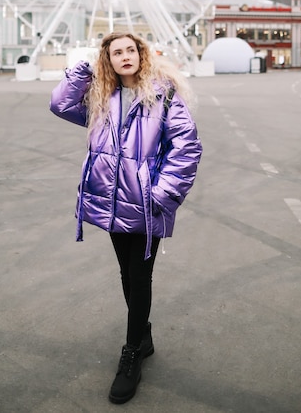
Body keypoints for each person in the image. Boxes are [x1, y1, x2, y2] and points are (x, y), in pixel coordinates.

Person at [50, 32, 202, 404]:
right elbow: (59, 104)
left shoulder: (163, 96)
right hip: (113, 202)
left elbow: (186, 147)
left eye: (129, 50)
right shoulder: (101, 98)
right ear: (109, 60)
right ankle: (144, 334)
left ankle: (132, 351)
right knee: (126, 273)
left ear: (141, 54)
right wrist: (85, 67)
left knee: (139, 274)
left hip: (148, 204)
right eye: (115, 52)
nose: (124, 57)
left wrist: (162, 193)